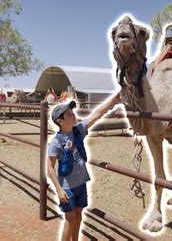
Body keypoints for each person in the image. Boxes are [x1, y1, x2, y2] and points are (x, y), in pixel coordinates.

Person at [47, 92, 120, 241]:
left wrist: (115, 99)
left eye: (72, 111)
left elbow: (97, 114)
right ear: (60, 121)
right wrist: (59, 190)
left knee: (79, 215)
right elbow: (49, 167)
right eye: (68, 114)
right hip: (67, 187)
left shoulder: (78, 130)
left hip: (81, 184)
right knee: (69, 218)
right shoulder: (55, 142)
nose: (73, 114)